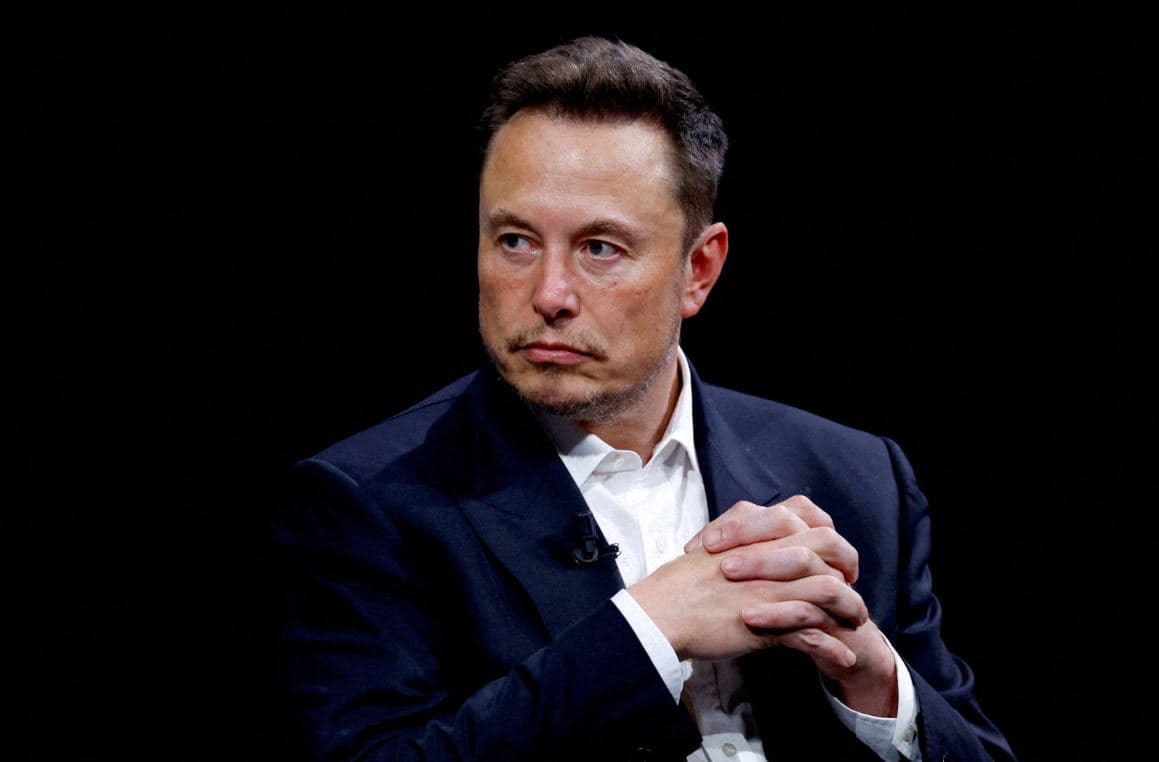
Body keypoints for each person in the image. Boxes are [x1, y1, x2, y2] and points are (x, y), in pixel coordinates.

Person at [272, 36, 1016, 762]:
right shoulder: (369, 500)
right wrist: (647, 629)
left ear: (699, 270)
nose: (549, 294)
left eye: (600, 248)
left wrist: (873, 679)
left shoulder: (859, 478)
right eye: (515, 241)